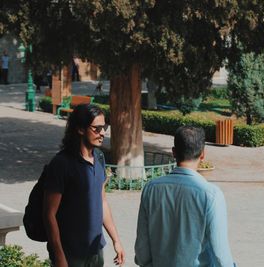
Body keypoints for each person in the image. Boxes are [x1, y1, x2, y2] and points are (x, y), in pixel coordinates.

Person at [135, 126, 236, 267]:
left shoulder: (151, 189)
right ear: (202, 154)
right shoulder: (211, 195)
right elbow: (221, 255)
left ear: (174, 152)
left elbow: (142, 249)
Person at [43, 104, 125, 267]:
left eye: (104, 127)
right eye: (97, 128)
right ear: (80, 129)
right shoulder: (62, 164)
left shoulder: (100, 158)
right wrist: (59, 257)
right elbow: (49, 214)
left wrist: (116, 240)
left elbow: (102, 202)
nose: (102, 133)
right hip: (70, 255)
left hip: (95, 251)